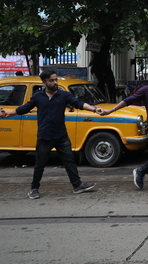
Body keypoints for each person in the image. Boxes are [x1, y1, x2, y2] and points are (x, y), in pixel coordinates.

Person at [0, 70, 98, 199]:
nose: (55, 82)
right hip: (45, 136)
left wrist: (95, 109)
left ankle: (77, 185)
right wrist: (8, 114)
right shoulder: (38, 96)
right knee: (40, 164)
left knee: (69, 161)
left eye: (55, 80)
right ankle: (34, 188)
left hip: (61, 135)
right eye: (51, 80)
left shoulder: (64, 95)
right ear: (44, 82)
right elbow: (25, 108)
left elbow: (78, 103)